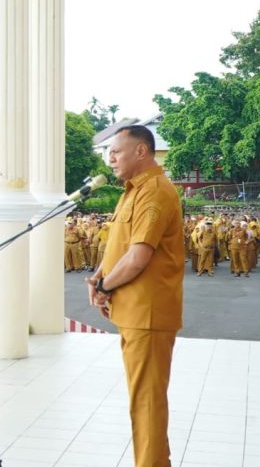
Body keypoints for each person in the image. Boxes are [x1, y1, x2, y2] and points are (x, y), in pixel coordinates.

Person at [86, 125, 183, 467]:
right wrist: (101, 274)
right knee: (143, 402)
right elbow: (122, 246)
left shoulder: (155, 191)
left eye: (116, 151)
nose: (109, 158)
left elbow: (139, 256)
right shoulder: (132, 191)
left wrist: (104, 287)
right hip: (134, 312)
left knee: (146, 404)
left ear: (141, 151)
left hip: (148, 313)